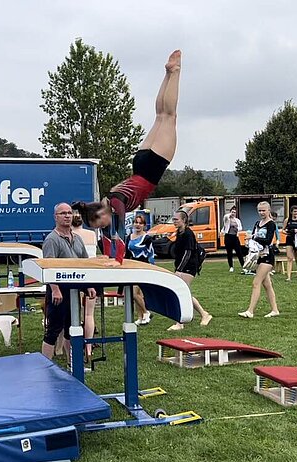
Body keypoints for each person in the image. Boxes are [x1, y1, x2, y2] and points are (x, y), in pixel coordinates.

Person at [71, 50, 182, 257]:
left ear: (101, 215)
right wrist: (106, 256)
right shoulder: (108, 199)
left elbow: (120, 231)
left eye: (99, 224)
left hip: (151, 167)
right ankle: (168, 73)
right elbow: (107, 233)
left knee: (169, 116)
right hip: (140, 163)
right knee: (160, 116)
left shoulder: (115, 202)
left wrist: (118, 260)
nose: (102, 227)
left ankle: (174, 72)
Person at [41, 203, 96, 366]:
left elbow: (84, 264)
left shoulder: (77, 239)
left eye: (69, 213)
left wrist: (89, 286)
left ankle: (72, 363)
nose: (67, 216)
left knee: (72, 329)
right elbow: (48, 267)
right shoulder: (52, 240)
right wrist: (55, 290)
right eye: (62, 213)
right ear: (55, 217)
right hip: (58, 292)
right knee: (53, 330)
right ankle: (46, 366)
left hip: (74, 292)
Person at [167, 210, 213, 331]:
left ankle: (185, 320)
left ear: (184, 220)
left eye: (176, 219)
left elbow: (188, 253)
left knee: (182, 292)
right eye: (173, 219)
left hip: (189, 267)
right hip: (182, 266)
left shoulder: (188, 233)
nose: (174, 222)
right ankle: (199, 316)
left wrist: (179, 269)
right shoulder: (179, 232)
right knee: (183, 293)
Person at [238, 202, 280, 318]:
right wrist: (249, 243)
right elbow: (253, 238)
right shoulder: (257, 223)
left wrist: (253, 237)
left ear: (268, 210)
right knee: (267, 285)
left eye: (264, 210)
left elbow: (268, 240)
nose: (261, 213)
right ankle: (275, 310)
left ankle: (250, 311)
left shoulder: (271, 224)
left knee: (256, 282)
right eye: (259, 210)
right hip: (258, 256)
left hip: (267, 257)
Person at [71, 209, 98, 360]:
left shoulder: (69, 236)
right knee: (89, 314)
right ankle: (88, 348)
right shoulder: (92, 234)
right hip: (92, 276)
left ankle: (64, 347)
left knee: (73, 313)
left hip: (74, 276)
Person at [126, 214, 155, 325]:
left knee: (135, 293)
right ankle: (140, 317)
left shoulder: (147, 238)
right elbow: (127, 253)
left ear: (144, 225)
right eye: (136, 222)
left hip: (143, 267)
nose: (137, 225)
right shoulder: (129, 236)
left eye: (140, 223)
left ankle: (146, 312)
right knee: (136, 294)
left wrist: (151, 267)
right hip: (132, 267)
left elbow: (151, 253)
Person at [221, 206, 245, 272]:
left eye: (234, 212)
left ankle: (243, 266)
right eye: (232, 212)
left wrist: (236, 228)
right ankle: (231, 266)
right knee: (229, 253)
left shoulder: (237, 220)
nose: (233, 213)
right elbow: (225, 217)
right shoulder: (227, 219)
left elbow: (240, 227)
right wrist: (230, 214)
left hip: (235, 237)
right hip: (228, 236)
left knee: (239, 252)